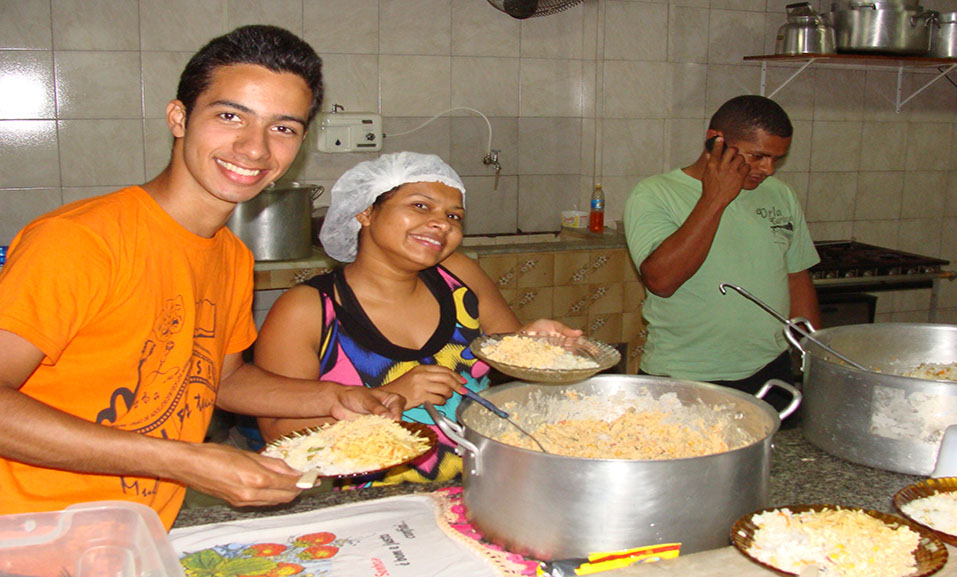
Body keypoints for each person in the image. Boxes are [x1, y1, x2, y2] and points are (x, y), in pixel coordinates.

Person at [0, 25, 403, 530]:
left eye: (282, 128)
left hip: (134, 534)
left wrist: (333, 397)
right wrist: (184, 461)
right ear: (179, 118)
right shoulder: (82, 241)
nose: (254, 149)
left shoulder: (230, 256)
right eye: (230, 116)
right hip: (28, 538)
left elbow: (222, 380)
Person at [255, 151, 579, 486]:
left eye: (454, 216)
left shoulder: (459, 276)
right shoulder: (307, 310)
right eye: (421, 206)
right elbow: (278, 434)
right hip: (372, 501)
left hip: (483, 486)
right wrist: (392, 396)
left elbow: (510, 354)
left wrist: (536, 340)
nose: (443, 223)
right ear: (365, 212)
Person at [623, 95, 820, 411]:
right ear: (716, 140)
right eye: (758, 156)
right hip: (686, 376)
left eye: (776, 159)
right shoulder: (655, 194)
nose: (768, 169)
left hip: (771, 370)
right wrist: (716, 197)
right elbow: (661, 281)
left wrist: (817, 360)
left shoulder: (781, 194)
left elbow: (796, 277)